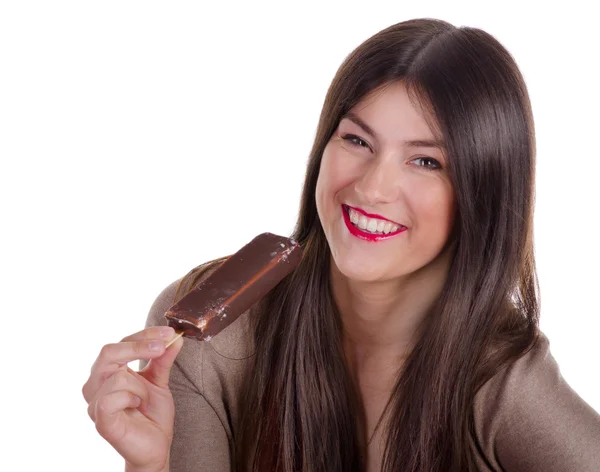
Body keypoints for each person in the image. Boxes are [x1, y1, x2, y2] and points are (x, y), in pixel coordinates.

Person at [82, 18, 600, 472]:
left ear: (482, 195)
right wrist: (149, 464)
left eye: (426, 161)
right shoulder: (215, 341)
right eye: (357, 140)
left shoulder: (501, 384)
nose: (372, 188)